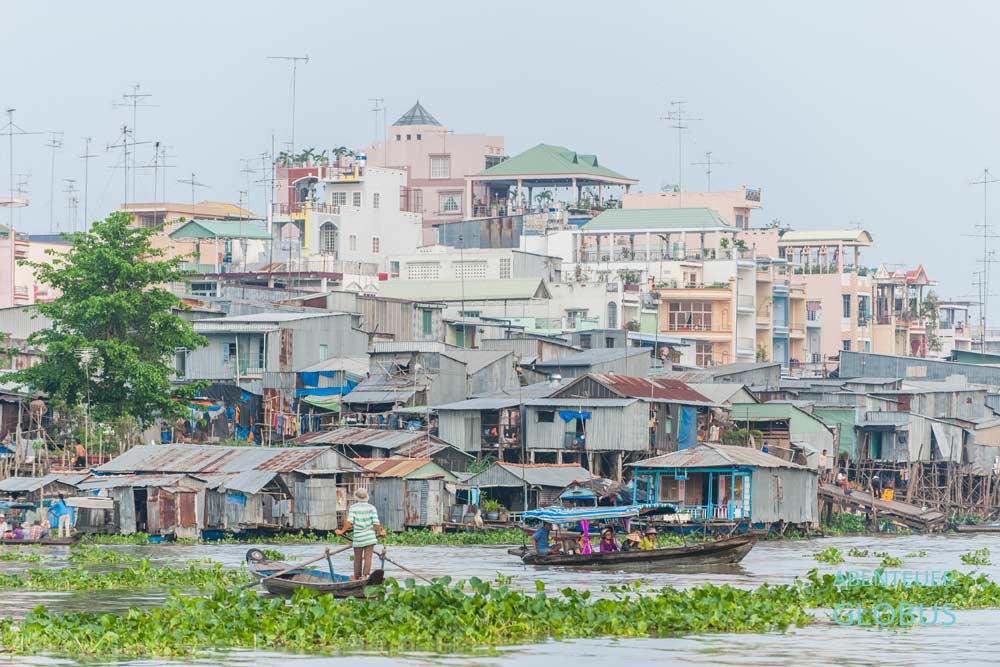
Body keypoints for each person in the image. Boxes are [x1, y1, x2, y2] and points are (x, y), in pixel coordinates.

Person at [335, 488, 385, 581]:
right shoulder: (372, 508)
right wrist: (380, 532)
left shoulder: (353, 508)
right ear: (366, 497)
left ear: (356, 498)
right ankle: (365, 576)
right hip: (370, 537)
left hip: (358, 537)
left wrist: (342, 531)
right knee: (368, 558)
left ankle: (357, 577)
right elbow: (376, 523)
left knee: (357, 558)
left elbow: (349, 522)